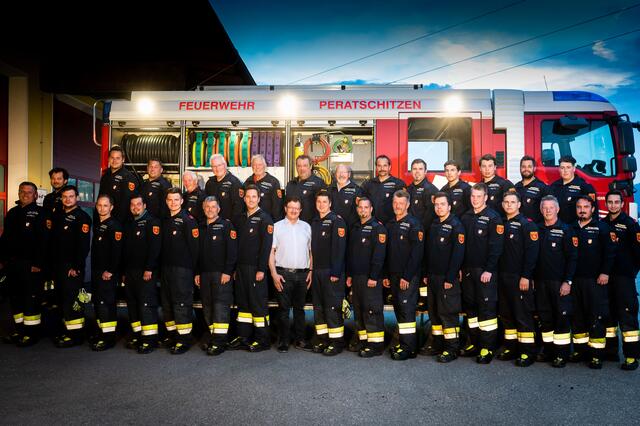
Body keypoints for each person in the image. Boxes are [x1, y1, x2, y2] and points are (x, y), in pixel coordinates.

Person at [460, 183, 504, 364]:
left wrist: (489, 270)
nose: (475, 199)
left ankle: (487, 348)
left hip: (485, 272)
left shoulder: (493, 218)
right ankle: (474, 343)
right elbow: (461, 247)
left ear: (486, 197)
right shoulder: (466, 217)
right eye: (473, 196)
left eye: (478, 196)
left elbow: (496, 248)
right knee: (471, 309)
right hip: (468, 272)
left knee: (486, 311)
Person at [570, 196, 616, 369]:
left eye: (586, 207)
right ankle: (581, 351)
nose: (582, 210)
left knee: (595, 316)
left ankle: (597, 355)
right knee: (578, 316)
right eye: (579, 207)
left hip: (595, 280)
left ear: (593, 209)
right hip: (576, 280)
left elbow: (610, 254)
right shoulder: (571, 228)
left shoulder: (602, 228)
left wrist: (605, 273)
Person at [0, 182, 48, 346]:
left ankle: (31, 334)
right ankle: (19, 330)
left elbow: (44, 242)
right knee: (15, 299)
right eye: (22, 191)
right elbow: (5, 238)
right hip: (12, 264)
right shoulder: (12, 213)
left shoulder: (40, 213)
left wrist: (38, 264)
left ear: (35, 195)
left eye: (29, 192)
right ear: (18, 193)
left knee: (30, 299)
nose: (25, 194)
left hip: (30, 265)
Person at [228, 185, 274, 352]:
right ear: (244, 198)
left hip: (256, 269)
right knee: (243, 304)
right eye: (248, 197)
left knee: (257, 304)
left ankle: (263, 339)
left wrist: (262, 269)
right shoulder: (239, 219)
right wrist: (233, 269)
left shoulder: (265, 219)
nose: (251, 200)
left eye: (254, 197)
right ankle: (243, 336)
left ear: (259, 198)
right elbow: (234, 246)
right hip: (240, 269)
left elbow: (266, 246)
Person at [496, 192, 540, 367]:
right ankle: (511, 348)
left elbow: (532, 254)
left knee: (523, 316)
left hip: (519, 278)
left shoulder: (527, 225)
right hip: (503, 276)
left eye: (512, 202)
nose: (508, 205)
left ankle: (527, 352)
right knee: (506, 315)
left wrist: (526, 276)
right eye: (506, 202)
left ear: (519, 204)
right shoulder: (501, 223)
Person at [535, 195, 578, 368]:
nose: (547, 211)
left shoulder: (566, 230)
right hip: (540, 282)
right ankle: (548, 350)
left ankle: (561, 354)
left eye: (551, 208)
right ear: (540, 209)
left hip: (559, 283)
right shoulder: (536, 229)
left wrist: (568, 281)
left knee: (561, 318)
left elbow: (572, 258)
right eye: (544, 208)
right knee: (545, 317)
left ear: (557, 209)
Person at [422, 192, 465, 363]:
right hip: (432, 278)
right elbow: (428, 252)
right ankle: (438, 344)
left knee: (448, 314)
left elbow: (458, 255)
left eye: (442, 204)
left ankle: (452, 348)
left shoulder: (456, 226)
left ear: (449, 206)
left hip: (447, 279)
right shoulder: (434, 225)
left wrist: (450, 278)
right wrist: (426, 274)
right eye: (437, 205)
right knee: (434, 313)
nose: (439, 207)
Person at [383, 190, 424, 360]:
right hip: (392, 276)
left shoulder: (415, 225)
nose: (398, 206)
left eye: (401, 203)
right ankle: (406, 344)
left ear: (408, 204)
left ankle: (408, 348)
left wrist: (407, 277)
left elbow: (417, 254)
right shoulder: (390, 224)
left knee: (407, 311)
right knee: (399, 309)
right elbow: (386, 253)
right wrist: (385, 274)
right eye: (395, 203)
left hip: (408, 277)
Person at [195, 196, 238, 356]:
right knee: (207, 307)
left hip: (221, 275)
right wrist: (197, 272)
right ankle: (214, 337)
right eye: (207, 207)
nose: (210, 210)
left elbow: (232, 252)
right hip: (204, 275)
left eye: (213, 207)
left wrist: (227, 272)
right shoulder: (200, 227)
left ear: (218, 209)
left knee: (220, 308)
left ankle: (220, 342)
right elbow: (197, 254)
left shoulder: (227, 226)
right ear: (203, 208)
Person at [602, 190, 640, 371]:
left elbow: (638, 253)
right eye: (610, 202)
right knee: (608, 317)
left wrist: (631, 272)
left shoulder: (630, 225)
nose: (613, 205)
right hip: (606, 278)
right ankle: (611, 352)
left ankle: (631, 356)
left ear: (622, 204)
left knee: (627, 317)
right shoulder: (602, 224)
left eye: (616, 202)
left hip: (624, 278)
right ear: (606, 204)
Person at [269, 196, 312, 353]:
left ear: (300, 210)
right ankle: (284, 341)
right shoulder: (277, 227)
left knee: (300, 309)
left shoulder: (307, 227)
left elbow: (311, 252)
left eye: (297, 208)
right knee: (283, 310)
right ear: (285, 209)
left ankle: (300, 339)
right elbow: (271, 253)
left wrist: (311, 271)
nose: (294, 210)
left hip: (302, 275)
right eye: (291, 207)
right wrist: (274, 274)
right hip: (283, 274)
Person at [50, 185, 91, 347]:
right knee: (61, 300)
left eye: (71, 196)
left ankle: (76, 336)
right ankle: (66, 332)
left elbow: (83, 246)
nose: (67, 199)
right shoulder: (57, 215)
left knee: (73, 301)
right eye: (65, 197)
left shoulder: (82, 218)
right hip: (58, 266)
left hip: (72, 268)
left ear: (77, 198)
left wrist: (77, 267)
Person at [346, 197, 387, 358]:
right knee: (359, 310)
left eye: (366, 207)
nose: (363, 210)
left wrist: (374, 276)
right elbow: (351, 254)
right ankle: (364, 341)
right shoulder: (355, 228)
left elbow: (379, 255)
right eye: (360, 207)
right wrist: (349, 275)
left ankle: (376, 345)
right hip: (356, 278)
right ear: (357, 209)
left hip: (371, 279)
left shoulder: (378, 229)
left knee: (372, 311)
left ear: (371, 209)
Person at [160, 188, 199, 354]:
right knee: (167, 304)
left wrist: (194, 271)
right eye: (170, 200)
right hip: (166, 270)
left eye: (176, 200)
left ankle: (183, 340)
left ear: (182, 201)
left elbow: (195, 249)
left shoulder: (188, 220)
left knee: (181, 304)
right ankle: (172, 335)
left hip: (182, 271)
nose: (173, 203)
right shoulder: (165, 220)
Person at [310, 191, 347, 356]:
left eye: (324, 202)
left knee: (332, 308)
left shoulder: (336, 221)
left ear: (330, 203)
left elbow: (340, 249)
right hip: (317, 271)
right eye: (319, 201)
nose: (321, 204)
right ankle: (323, 339)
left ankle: (336, 342)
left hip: (331, 272)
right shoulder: (315, 222)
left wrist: (336, 272)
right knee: (319, 307)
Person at [122, 195, 161, 354]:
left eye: (139, 204)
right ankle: (138, 335)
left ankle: (150, 340)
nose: (135, 207)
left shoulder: (152, 222)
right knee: (132, 304)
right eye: (133, 205)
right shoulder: (129, 223)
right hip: (130, 272)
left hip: (145, 273)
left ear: (144, 205)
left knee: (146, 305)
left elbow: (155, 248)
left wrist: (149, 269)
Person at [89, 194, 123, 351]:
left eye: (105, 205)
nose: (102, 208)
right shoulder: (98, 224)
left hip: (107, 273)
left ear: (111, 207)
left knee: (106, 304)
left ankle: (108, 338)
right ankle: (100, 332)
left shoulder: (114, 226)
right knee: (98, 303)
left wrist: (111, 270)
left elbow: (117, 252)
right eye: (99, 205)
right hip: (97, 271)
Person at [549, 155, 596, 224]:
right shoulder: (554, 186)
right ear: (559, 169)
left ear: (574, 168)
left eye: (568, 167)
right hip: (558, 228)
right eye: (562, 168)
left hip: (576, 228)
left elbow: (593, 211)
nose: (565, 171)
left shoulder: (584, 187)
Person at [98, 145, 138, 223]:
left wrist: (118, 224)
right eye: (112, 158)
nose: (114, 161)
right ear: (108, 159)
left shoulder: (129, 177)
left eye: (117, 158)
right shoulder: (105, 176)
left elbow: (127, 204)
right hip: (105, 220)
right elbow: (100, 198)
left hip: (121, 222)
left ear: (123, 160)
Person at [361, 155, 405, 225]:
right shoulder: (368, 184)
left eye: (385, 165)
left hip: (392, 224)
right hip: (372, 224)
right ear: (376, 167)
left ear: (389, 167)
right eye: (379, 166)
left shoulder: (398, 184)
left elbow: (403, 205)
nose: (382, 168)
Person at [205, 154, 244, 227]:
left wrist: (230, 225)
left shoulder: (234, 182)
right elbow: (206, 204)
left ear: (225, 165)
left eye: (219, 165)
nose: (217, 168)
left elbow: (239, 208)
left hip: (228, 226)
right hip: (212, 225)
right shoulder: (209, 183)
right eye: (214, 166)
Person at [285, 155, 326, 223]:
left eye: (305, 165)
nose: (302, 169)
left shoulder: (319, 183)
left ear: (310, 166)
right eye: (299, 166)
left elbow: (324, 207)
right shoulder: (290, 184)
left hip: (311, 226)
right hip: (292, 225)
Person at [244, 154, 284, 221]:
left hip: (266, 222)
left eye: (260, 165)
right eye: (254, 165)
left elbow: (277, 207)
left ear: (265, 166)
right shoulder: (247, 182)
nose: (257, 167)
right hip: (250, 222)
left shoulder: (273, 182)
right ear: (252, 167)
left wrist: (276, 224)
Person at [514, 156, 548, 223]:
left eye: (529, 166)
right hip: (519, 227)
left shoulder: (542, 187)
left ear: (534, 168)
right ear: (520, 168)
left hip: (535, 227)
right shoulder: (516, 187)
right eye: (523, 167)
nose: (526, 169)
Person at [328, 163, 362, 229]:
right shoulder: (329, 189)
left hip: (350, 229)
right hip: (331, 228)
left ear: (349, 174)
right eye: (339, 172)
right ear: (335, 174)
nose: (341, 175)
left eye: (344, 172)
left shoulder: (357, 190)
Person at [407, 158, 437, 229]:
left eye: (420, 169)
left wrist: (420, 230)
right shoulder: (408, 189)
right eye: (414, 169)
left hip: (422, 231)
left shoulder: (431, 190)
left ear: (425, 171)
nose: (417, 171)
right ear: (411, 171)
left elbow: (430, 216)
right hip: (409, 229)